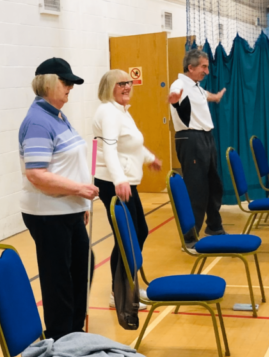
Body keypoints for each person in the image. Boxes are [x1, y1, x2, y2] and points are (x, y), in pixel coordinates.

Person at [18, 57, 99, 341]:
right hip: (48, 214)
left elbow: (67, 164)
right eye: (66, 83)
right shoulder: (39, 121)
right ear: (49, 83)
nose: (70, 88)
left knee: (82, 266)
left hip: (67, 209)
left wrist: (80, 204)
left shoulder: (57, 115)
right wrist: (79, 191)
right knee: (59, 281)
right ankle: (60, 339)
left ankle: (73, 332)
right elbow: (37, 174)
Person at [93, 70, 162, 308]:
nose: (127, 87)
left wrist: (150, 157)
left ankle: (127, 285)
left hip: (125, 183)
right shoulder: (108, 112)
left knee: (138, 232)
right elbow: (110, 150)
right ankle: (119, 293)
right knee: (127, 237)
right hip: (115, 184)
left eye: (129, 83)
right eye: (121, 84)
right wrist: (119, 179)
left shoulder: (122, 111)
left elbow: (132, 145)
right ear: (109, 87)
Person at [169, 49, 226, 247]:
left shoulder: (196, 87)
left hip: (205, 138)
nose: (207, 71)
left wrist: (215, 97)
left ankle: (214, 226)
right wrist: (175, 102)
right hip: (191, 139)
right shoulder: (179, 85)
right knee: (196, 188)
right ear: (190, 67)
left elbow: (204, 95)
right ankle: (190, 236)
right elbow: (176, 98)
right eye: (203, 67)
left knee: (213, 184)